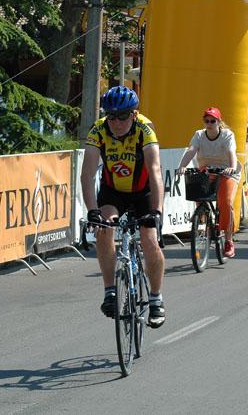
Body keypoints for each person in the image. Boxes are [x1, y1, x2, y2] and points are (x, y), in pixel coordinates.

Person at [80, 86, 166, 328]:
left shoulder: (144, 129)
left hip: (143, 191)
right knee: (104, 229)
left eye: (122, 116)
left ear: (134, 114)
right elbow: (87, 175)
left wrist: (157, 212)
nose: (116, 122)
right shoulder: (98, 130)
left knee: (149, 240)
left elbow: (155, 171)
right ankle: (110, 291)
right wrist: (92, 210)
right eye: (111, 116)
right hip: (113, 191)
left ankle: (156, 298)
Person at [177, 107, 241, 257]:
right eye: (207, 121)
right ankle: (203, 221)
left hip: (227, 171)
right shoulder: (199, 135)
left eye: (213, 121)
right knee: (198, 193)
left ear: (219, 122)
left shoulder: (227, 135)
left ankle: (229, 241)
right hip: (207, 171)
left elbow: (231, 152)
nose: (210, 123)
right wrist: (182, 166)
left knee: (225, 202)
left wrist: (232, 167)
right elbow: (191, 150)